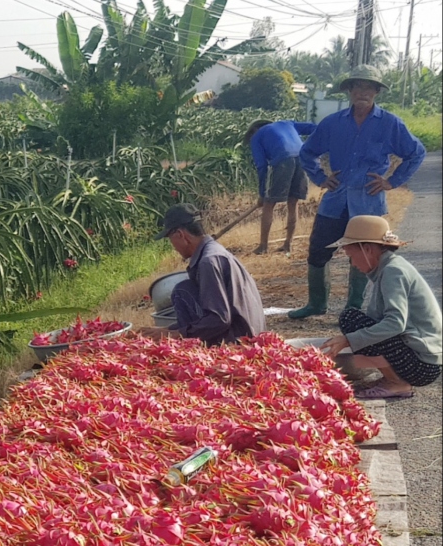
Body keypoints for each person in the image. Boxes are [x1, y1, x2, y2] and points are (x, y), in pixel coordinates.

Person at [293, 66, 426, 319]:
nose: (362, 92)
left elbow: (416, 152)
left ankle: (353, 308)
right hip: (335, 199)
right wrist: (321, 178)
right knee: (318, 250)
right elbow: (307, 152)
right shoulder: (332, 123)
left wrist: (392, 181)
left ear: (376, 92)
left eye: (368, 87)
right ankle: (316, 304)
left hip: (368, 202)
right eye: (357, 87)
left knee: (365, 254)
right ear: (349, 91)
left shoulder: (390, 123)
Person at [320, 216, 441, 400]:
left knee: (351, 320)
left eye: (351, 256)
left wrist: (348, 340)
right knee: (355, 320)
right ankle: (391, 378)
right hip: (417, 358)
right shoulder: (388, 268)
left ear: (367, 249)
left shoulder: (393, 271)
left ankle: (397, 383)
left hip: (422, 365)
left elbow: (395, 324)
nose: (352, 263)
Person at [139, 204, 266, 346]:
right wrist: (167, 329)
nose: (173, 246)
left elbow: (219, 319)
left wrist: (177, 334)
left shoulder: (208, 262)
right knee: (186, 288)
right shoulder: (214, 251)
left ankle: (192, 348)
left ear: (180, 235)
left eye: (170, 239)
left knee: (182, 291)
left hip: (240, 341)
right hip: (249, 332)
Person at [245, 118, 317, 254]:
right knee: (293, 203)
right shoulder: (287, 123)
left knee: (268, 204)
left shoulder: (257, 136)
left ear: (255, 129)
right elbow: (315, 128)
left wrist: (262, 194)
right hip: (303, 158)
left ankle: (263, 246)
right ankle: (288, 244)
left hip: (283, 160)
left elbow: (261, 166)